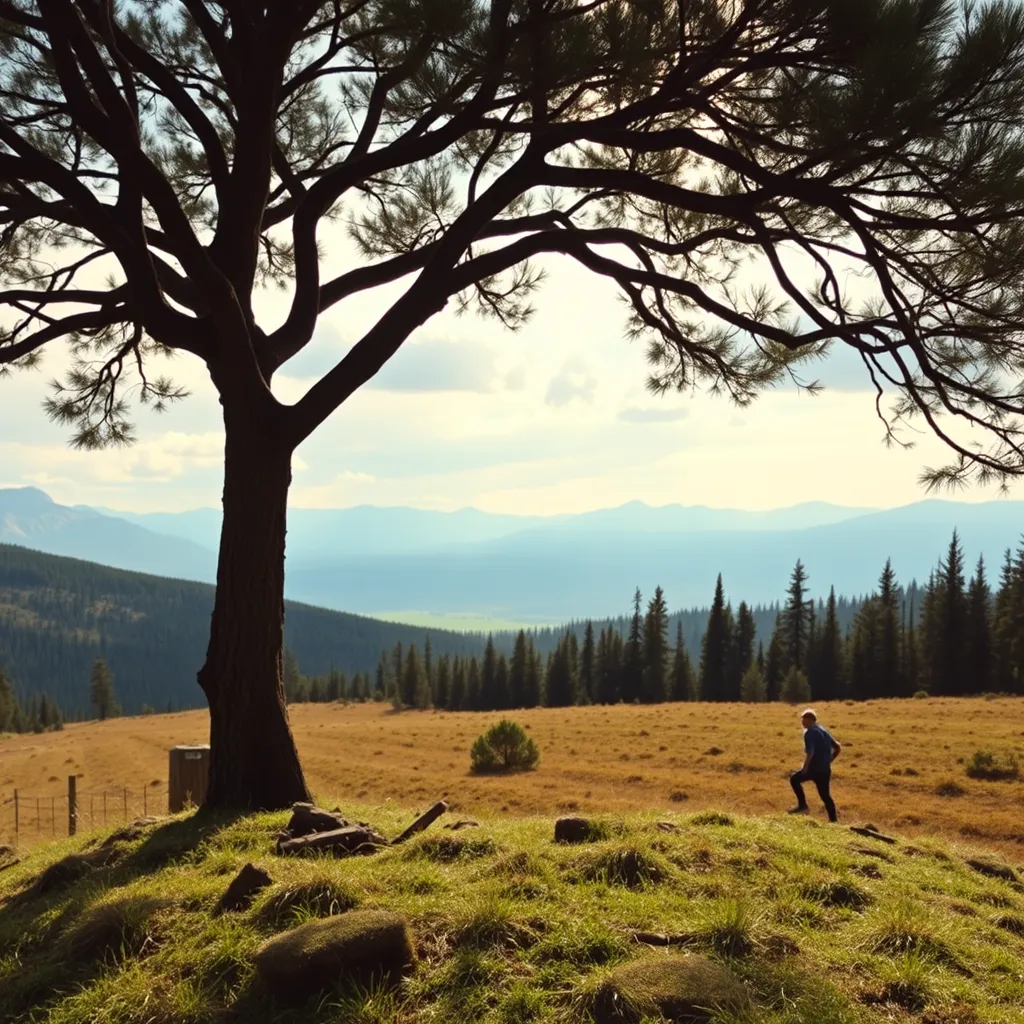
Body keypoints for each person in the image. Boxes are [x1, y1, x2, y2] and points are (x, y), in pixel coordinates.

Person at [788, 708, 840, 822]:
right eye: (802, 720)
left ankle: (803, 806)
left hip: (814, 768)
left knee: (794, 779)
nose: (802, 723)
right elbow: (837, 747)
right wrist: (829, 761)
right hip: (825, 770)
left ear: (811, 720)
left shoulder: (810, 732)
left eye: (805, 720)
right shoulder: (823, 730)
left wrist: (805, 768)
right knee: (825, 796)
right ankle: (834, 821)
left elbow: (810, 752)